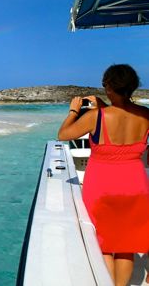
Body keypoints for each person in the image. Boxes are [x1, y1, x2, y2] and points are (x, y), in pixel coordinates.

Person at [58, 64, 149, 286]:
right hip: (135, 184)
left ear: (108, 87)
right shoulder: (146, 115)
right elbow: (124, 113)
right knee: (126, 246)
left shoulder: (96, 117)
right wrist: (106, 105)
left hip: (102, 186)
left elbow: (63, 134)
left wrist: (73, 110)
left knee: (105, 244)